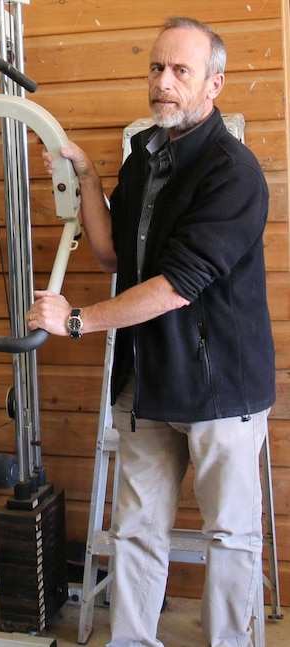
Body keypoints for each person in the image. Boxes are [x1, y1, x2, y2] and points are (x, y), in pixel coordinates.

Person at [32, 17, 275, 647]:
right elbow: (113, 256)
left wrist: (77, 320)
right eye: (155, 68)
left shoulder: (233, 172)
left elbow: (175, 285)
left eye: (180, 71)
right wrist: (88, 178)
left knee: (230, 535)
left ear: (213, 85)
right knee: (136, 530)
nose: (162, 83)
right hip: (149, 380)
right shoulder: (146, 156)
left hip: (222, 387)